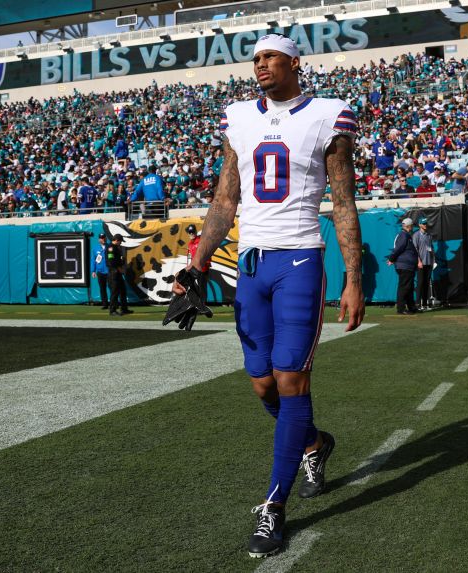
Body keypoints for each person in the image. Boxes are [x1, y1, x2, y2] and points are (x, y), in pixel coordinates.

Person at [170, 34, 364, 559]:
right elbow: (225, 198)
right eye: (255, 58)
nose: (260, 65)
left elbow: (342, 199)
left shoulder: (329, 114)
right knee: (262, 385)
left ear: (294, 63)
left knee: (290, 377)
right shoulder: (238, 116)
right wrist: (198, 260)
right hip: (251, 263)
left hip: (299, 256)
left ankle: (273, 508)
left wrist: (353, 277)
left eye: (270, 56)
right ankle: (314, 443)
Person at [386, 217, 419, 315]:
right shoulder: (403, 236)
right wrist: (391, 259)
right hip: (404, 266)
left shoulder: (406, 235)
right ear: (409, 226)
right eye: (412, 225)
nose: (413, 227)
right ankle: (401, 308)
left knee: (409, 287)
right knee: (404, 287)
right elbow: (398, 248)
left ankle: (411, 307)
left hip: (408, 266)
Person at [412, 216, 435, 310]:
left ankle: (425, 304)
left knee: (426, 283)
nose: (425, 225)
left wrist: (434, 260)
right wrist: (419, 261)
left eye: (426, 223)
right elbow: (414, 249)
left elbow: (431, 248)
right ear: (420, 224)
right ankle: (418, 304)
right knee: (420, 283)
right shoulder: (416, 235)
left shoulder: (429, 235)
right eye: (424, 223)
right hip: (421, 263)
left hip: (429, 263)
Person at [106, 234, 132, 316]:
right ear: (116, 240)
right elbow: (110, 261)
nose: (121, 243)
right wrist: (118, 268)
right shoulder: (110, 248)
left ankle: (124, 309)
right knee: (115, 292)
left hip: (118, 273)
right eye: (120, 241)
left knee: (123, 291)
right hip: (114, 273)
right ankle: (112, 310)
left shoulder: (117, 248)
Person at [185, 224, 210, 303]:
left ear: (195, 232)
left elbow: (206, 252)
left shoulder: (200, 241)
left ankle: (202, 305)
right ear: (188, 233)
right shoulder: (190, 244)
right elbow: (189, 257)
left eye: (192, 232)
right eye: (190, 232)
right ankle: (196, 304)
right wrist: (188, 267)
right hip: (194, 268)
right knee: (194, 287)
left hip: (203, 268)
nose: (191, 234)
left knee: (202, 287)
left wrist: (205, 263)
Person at [92, 233, 109, 309]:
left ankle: (114, 303)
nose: (103, 239)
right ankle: (105, 304)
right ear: (99, 239)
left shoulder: (110, 247)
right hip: (100, 272)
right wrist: (93, 271)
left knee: (113, 288)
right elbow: (93, 260)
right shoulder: (95, 248)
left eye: (104, 237)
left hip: (109, 271)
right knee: (102, 288)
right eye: (101, 238)